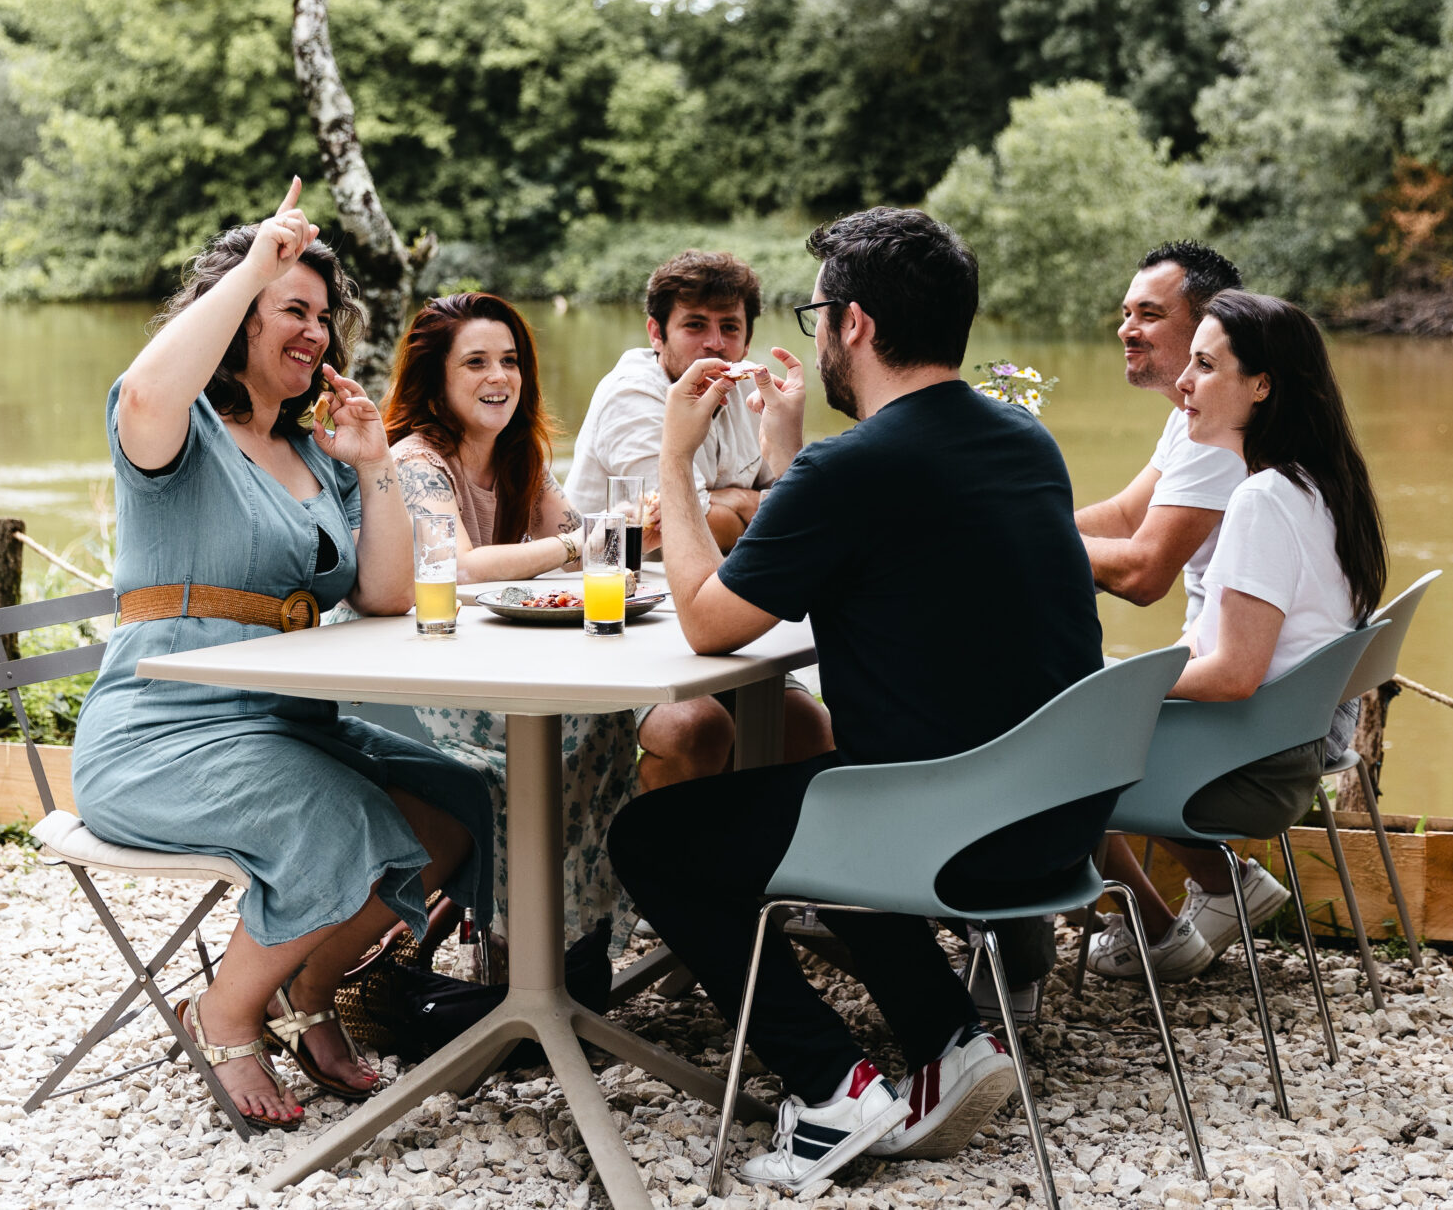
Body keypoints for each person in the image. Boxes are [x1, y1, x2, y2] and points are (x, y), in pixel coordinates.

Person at [608, 209, 1112, 1195]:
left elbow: (710, 625)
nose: (813, 334)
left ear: (856, 326)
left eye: (815, 314)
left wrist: (673, 457)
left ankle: (832, 1086)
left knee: (654, 840)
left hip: (943, 829)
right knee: (834, 782)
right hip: (1051, 820)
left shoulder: (855, 465)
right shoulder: (1023, 442)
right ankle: (946, 1039)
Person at [69, 181, 488, 1131]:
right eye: (292, 310)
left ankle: (310, 994)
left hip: (287, 723)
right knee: (338, 819)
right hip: (160, 734)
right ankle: (225, 1007)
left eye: (324, 318)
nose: (316, 333)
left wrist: (375, 463)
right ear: (237, 318)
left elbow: (381, 592)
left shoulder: (319, 452)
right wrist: (259, 255)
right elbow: (144, 385)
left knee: (459, 808)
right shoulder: (177, 431)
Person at [1084, 290, 1388, 986]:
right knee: (1067, 713)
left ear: (1262, 385)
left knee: (1047, 758)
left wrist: (1111, 684)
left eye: (1204, 366)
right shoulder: (1316, 484)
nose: (1183, 383)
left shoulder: (1261, 500)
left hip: (1246, 768)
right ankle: (1188, 906)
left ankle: (1066, 956)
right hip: (1282, 748)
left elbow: (1233, 674)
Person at [382, 291, 640, 961]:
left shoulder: (520, 455)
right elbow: (462, 564)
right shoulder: (417, 460)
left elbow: (587, 537)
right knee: (567, 728)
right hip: (412, 679)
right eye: (475, 362)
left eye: (510, 360)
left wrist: (632, 529)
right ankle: (517, 939)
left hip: (484, 669)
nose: (499, 376)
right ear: (436, 378)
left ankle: (561, 929)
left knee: (606, 716)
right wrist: (579, 548)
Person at [564, 249, 832, 787]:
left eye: (729, 327)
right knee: (697, 729)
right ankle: (660, 868)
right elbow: (675, 531)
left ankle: (763, 867)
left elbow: (780, 516)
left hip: (708, 604)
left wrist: (731, 502)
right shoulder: (635, 395)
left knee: (808, 727)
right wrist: (737, 506)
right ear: (655, 333)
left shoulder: (741, 390)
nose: (715, 343)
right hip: (613, 614)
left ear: (747, 340)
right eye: (695, 325)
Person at [1076, 241, 1248, 621]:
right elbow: (1124, 516)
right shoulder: (1189, 412)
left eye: (1148, 315)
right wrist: (1023, 524)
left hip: (1217, 662)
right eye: (1126, 314)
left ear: (1210, 323)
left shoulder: (1220, 428)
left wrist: (1032, 541)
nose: (1125, 330)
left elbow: (1144, 574)